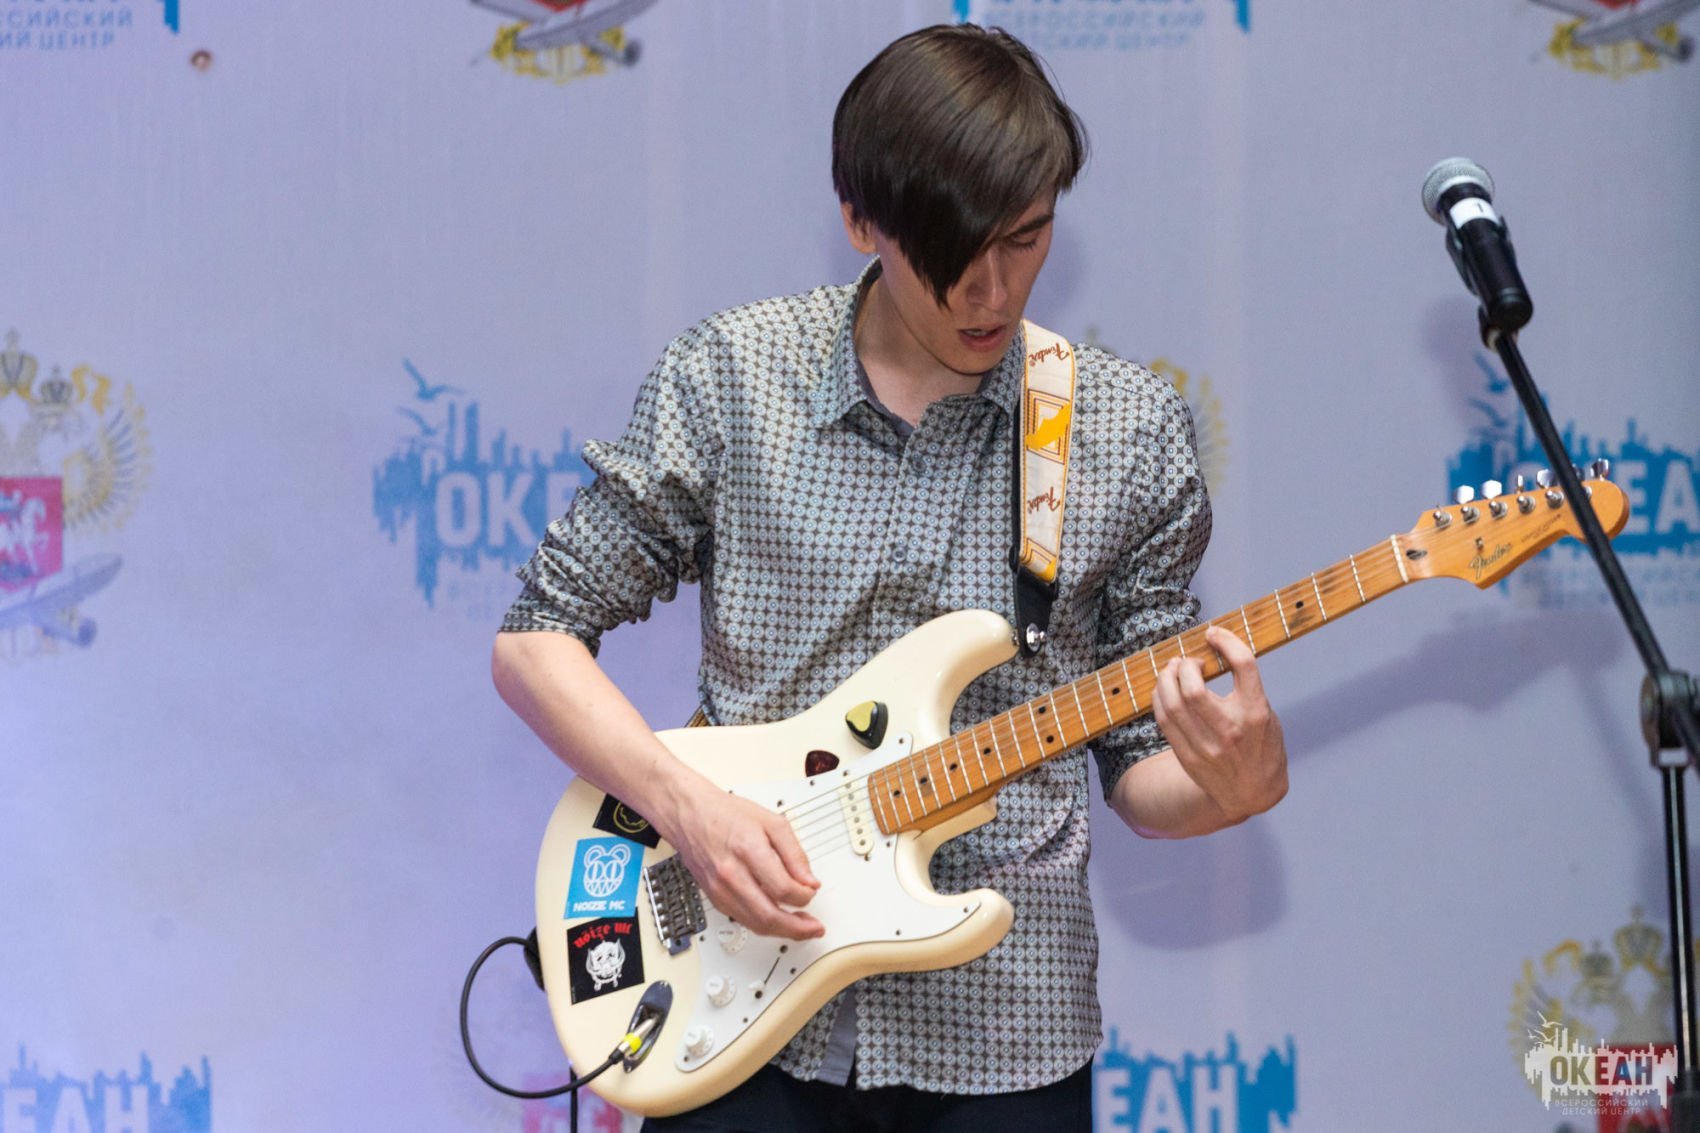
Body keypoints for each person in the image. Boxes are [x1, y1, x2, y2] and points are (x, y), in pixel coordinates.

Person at [492, 22, 1288, 1132]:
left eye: (1024, 239)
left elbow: (1137, 766)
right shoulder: (734, 376)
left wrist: (1237, 784)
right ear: (859, 221)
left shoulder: (1124, 430)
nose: (989, 290)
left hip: (1005, 1028)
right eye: (948, 252)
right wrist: (689, 810)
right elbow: (535, 638)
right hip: (729, 1005)